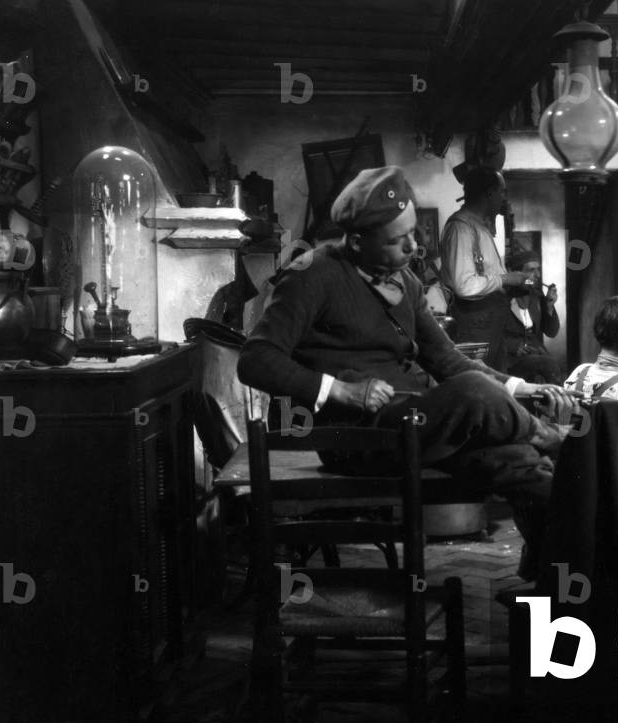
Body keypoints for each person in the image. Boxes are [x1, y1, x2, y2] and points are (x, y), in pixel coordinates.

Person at [237, 166, 573, 581]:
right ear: (356, 241)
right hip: (355, 438)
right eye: (399, 240)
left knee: (523, 465)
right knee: (476, 396)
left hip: (414, 425)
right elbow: (255, 359)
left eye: (414, 233)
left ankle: (549, 580)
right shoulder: (312, 274)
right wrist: (339, 390)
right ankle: (547, 435)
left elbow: (448, 361)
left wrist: (522, 386)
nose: (415, 247)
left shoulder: (406, 282)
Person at [439, 166, 532, 370]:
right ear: (490, 193)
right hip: (475, 325)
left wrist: (513, 283)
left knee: (496, 382)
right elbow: (464, 286)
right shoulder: (461, 228)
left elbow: (485, 275)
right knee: (480, 384)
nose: (504, 198)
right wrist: (506, 279)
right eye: (502, 192)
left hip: (490, 323)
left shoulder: (479, 226)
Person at [502, 243, 563, 384]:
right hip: (510, 361)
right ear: (515, 273)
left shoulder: (536, 294)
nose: (537, 275)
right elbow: (492, 335)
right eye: (531, 270)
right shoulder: (501, 298)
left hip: (536, 356)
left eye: (538, 270)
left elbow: (551, 332)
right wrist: (514, 346)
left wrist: (549, 306)